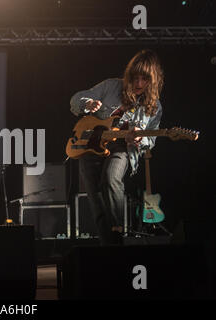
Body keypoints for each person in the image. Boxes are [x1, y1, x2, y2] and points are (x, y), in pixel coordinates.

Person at [70, 49, 164, 245]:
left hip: (122, 148)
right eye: (134, 78)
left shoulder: (154, 107)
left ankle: (118, 233)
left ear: (152, 80)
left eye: (144, 79)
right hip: (91, 147)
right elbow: (77, 98)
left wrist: (140, 140)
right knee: (96, 201)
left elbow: (151, 141)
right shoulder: (111, 86)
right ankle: (110, 247)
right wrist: (88, 104)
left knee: (111, 178)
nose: (138, 84)